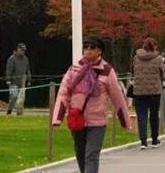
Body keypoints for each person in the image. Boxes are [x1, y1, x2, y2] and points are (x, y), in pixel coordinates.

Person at [52, 34, 132, 173]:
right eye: (85, 47)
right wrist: (57, 118)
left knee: (91, 155)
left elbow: (117, 97)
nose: (88, 50)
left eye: (92, 47)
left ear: (99, 51)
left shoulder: (107, 71)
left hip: (97, 122)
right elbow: (63, 93)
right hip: (77, 118)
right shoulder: (74, 69)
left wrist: (125, 121)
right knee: (80, 154)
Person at [131, 37, 165, 149]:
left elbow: (133, 71)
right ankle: (155, 139)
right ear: (154, 46)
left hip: (139, 91)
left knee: (142, 116)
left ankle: (143, 141)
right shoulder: (158, 58)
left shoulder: (136, 57)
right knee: (154, 115)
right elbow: (162, 72)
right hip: (154, 90)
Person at [5, 42, 32, 115]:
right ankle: (9, 111)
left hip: (22, 82)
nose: (23, 51)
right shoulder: (12, 59)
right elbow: (9, 70)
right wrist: (8, 79)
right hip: (13, 82)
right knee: (14, 96)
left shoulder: (26, 59)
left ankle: (19, 113)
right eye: (22, 50)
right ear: (18, 49)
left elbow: (28, 69)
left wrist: (29, 79)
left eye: (24, 50)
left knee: (21, 99)